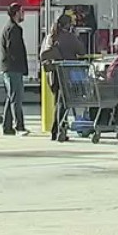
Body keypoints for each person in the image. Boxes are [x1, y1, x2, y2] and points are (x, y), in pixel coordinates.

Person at [39, 14, 84, 142]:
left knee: (58, 102)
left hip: (53, 75)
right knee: (63, 103)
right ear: (68, 25)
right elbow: (81, 51)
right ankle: (59, 129)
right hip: (67, 74)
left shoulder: (50, 37)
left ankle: (56, 130)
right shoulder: (70, 37)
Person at [0, 2, 29, 136]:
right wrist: (20, 65)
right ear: (16, 13)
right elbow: (14, 49)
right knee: (16, 98)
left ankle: (7, 127)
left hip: (8, 67)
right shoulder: (14, 29)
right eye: (22, 11)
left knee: (11, 97)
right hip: (13, 68)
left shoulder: (8, 27)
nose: (24, 14)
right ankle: (19, 126)